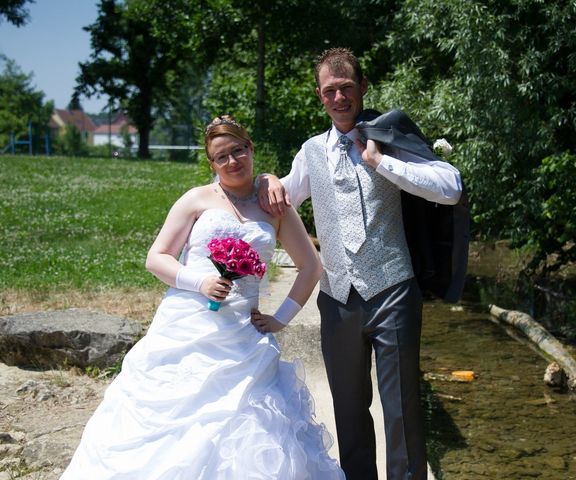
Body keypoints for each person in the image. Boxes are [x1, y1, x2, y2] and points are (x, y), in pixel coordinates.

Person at [61, 115, 345, 479]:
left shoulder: (274, 206)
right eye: (221, 156)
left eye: (238, 150)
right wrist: (199, 283)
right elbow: (156, 257)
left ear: (250, 149)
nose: (232, 161)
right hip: (187, 326)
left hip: (244, 338)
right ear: (211, 163)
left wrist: (280, 319)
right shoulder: (196, 199)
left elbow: (311, 267)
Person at [258, 48, 463, 479]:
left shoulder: (388, 137)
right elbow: (283, 200)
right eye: (330, 91)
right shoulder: (311, 150)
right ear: (319, 95)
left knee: (402, 409)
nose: (339, 97)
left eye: (346, 88)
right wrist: (266, 182)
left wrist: (380, 161)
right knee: (349, 409)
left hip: (393, 291)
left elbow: (450, 187)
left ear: (363, 87)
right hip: (337, 299)